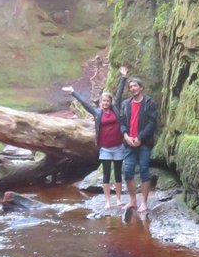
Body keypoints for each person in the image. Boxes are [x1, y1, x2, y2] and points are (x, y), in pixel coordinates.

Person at [62, 66, 128, 209]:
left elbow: (119, 94)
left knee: (117, 174)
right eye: (103, 101)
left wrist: (123, 77)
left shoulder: (115, 109)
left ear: (110, 103)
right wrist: (73, 92)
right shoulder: (98, 113)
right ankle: (107, 201)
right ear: (100, 103)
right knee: (105, 176)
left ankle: (117, 199)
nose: (105, 103)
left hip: (117, 147)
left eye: (107, 101)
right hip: (105, 148)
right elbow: (85, 104)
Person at [119, 71, 159, 216]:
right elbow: (122, 122)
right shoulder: (125, 104)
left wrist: (140, 138)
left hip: (144, 144)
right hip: (129, 143)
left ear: (141, 88)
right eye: (130, 87)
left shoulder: (149, 103)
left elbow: (151, 123)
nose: (133, 88)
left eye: (135, 86)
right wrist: (126, 136)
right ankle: (133, 200)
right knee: (128, 172)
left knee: (144, 171)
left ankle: (144, 202)